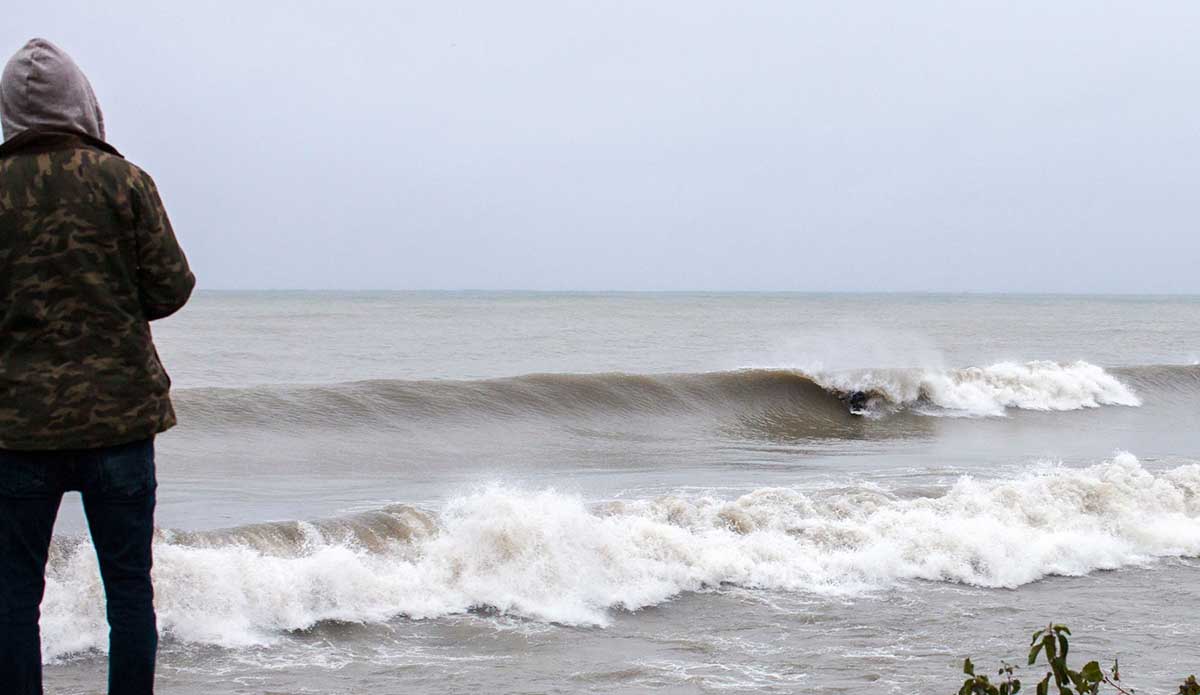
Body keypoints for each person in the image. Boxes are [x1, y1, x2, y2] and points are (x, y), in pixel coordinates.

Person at [0, 38, 194, 695]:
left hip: (16, 432)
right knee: (129, 590)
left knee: (13, 596)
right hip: (119, 424)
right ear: (82, 104)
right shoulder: (125, 181)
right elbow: (170, 289)